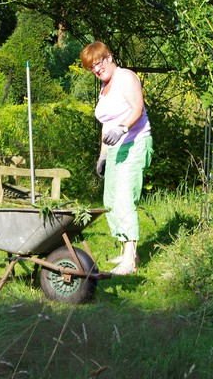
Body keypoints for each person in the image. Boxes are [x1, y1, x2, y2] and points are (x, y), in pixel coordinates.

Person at [80, 41, 153, 275]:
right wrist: (102, 155)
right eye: (91, 67)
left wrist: (122, 129)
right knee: (111, 200)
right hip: (115, 149)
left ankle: (130, 262)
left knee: (124, 198)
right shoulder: (105, 88)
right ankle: (127, 250)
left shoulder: (125, 78)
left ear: (109, 57)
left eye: (98, 62)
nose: (96, 69)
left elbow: (137, 108)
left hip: (135, 143)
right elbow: (106, 125)